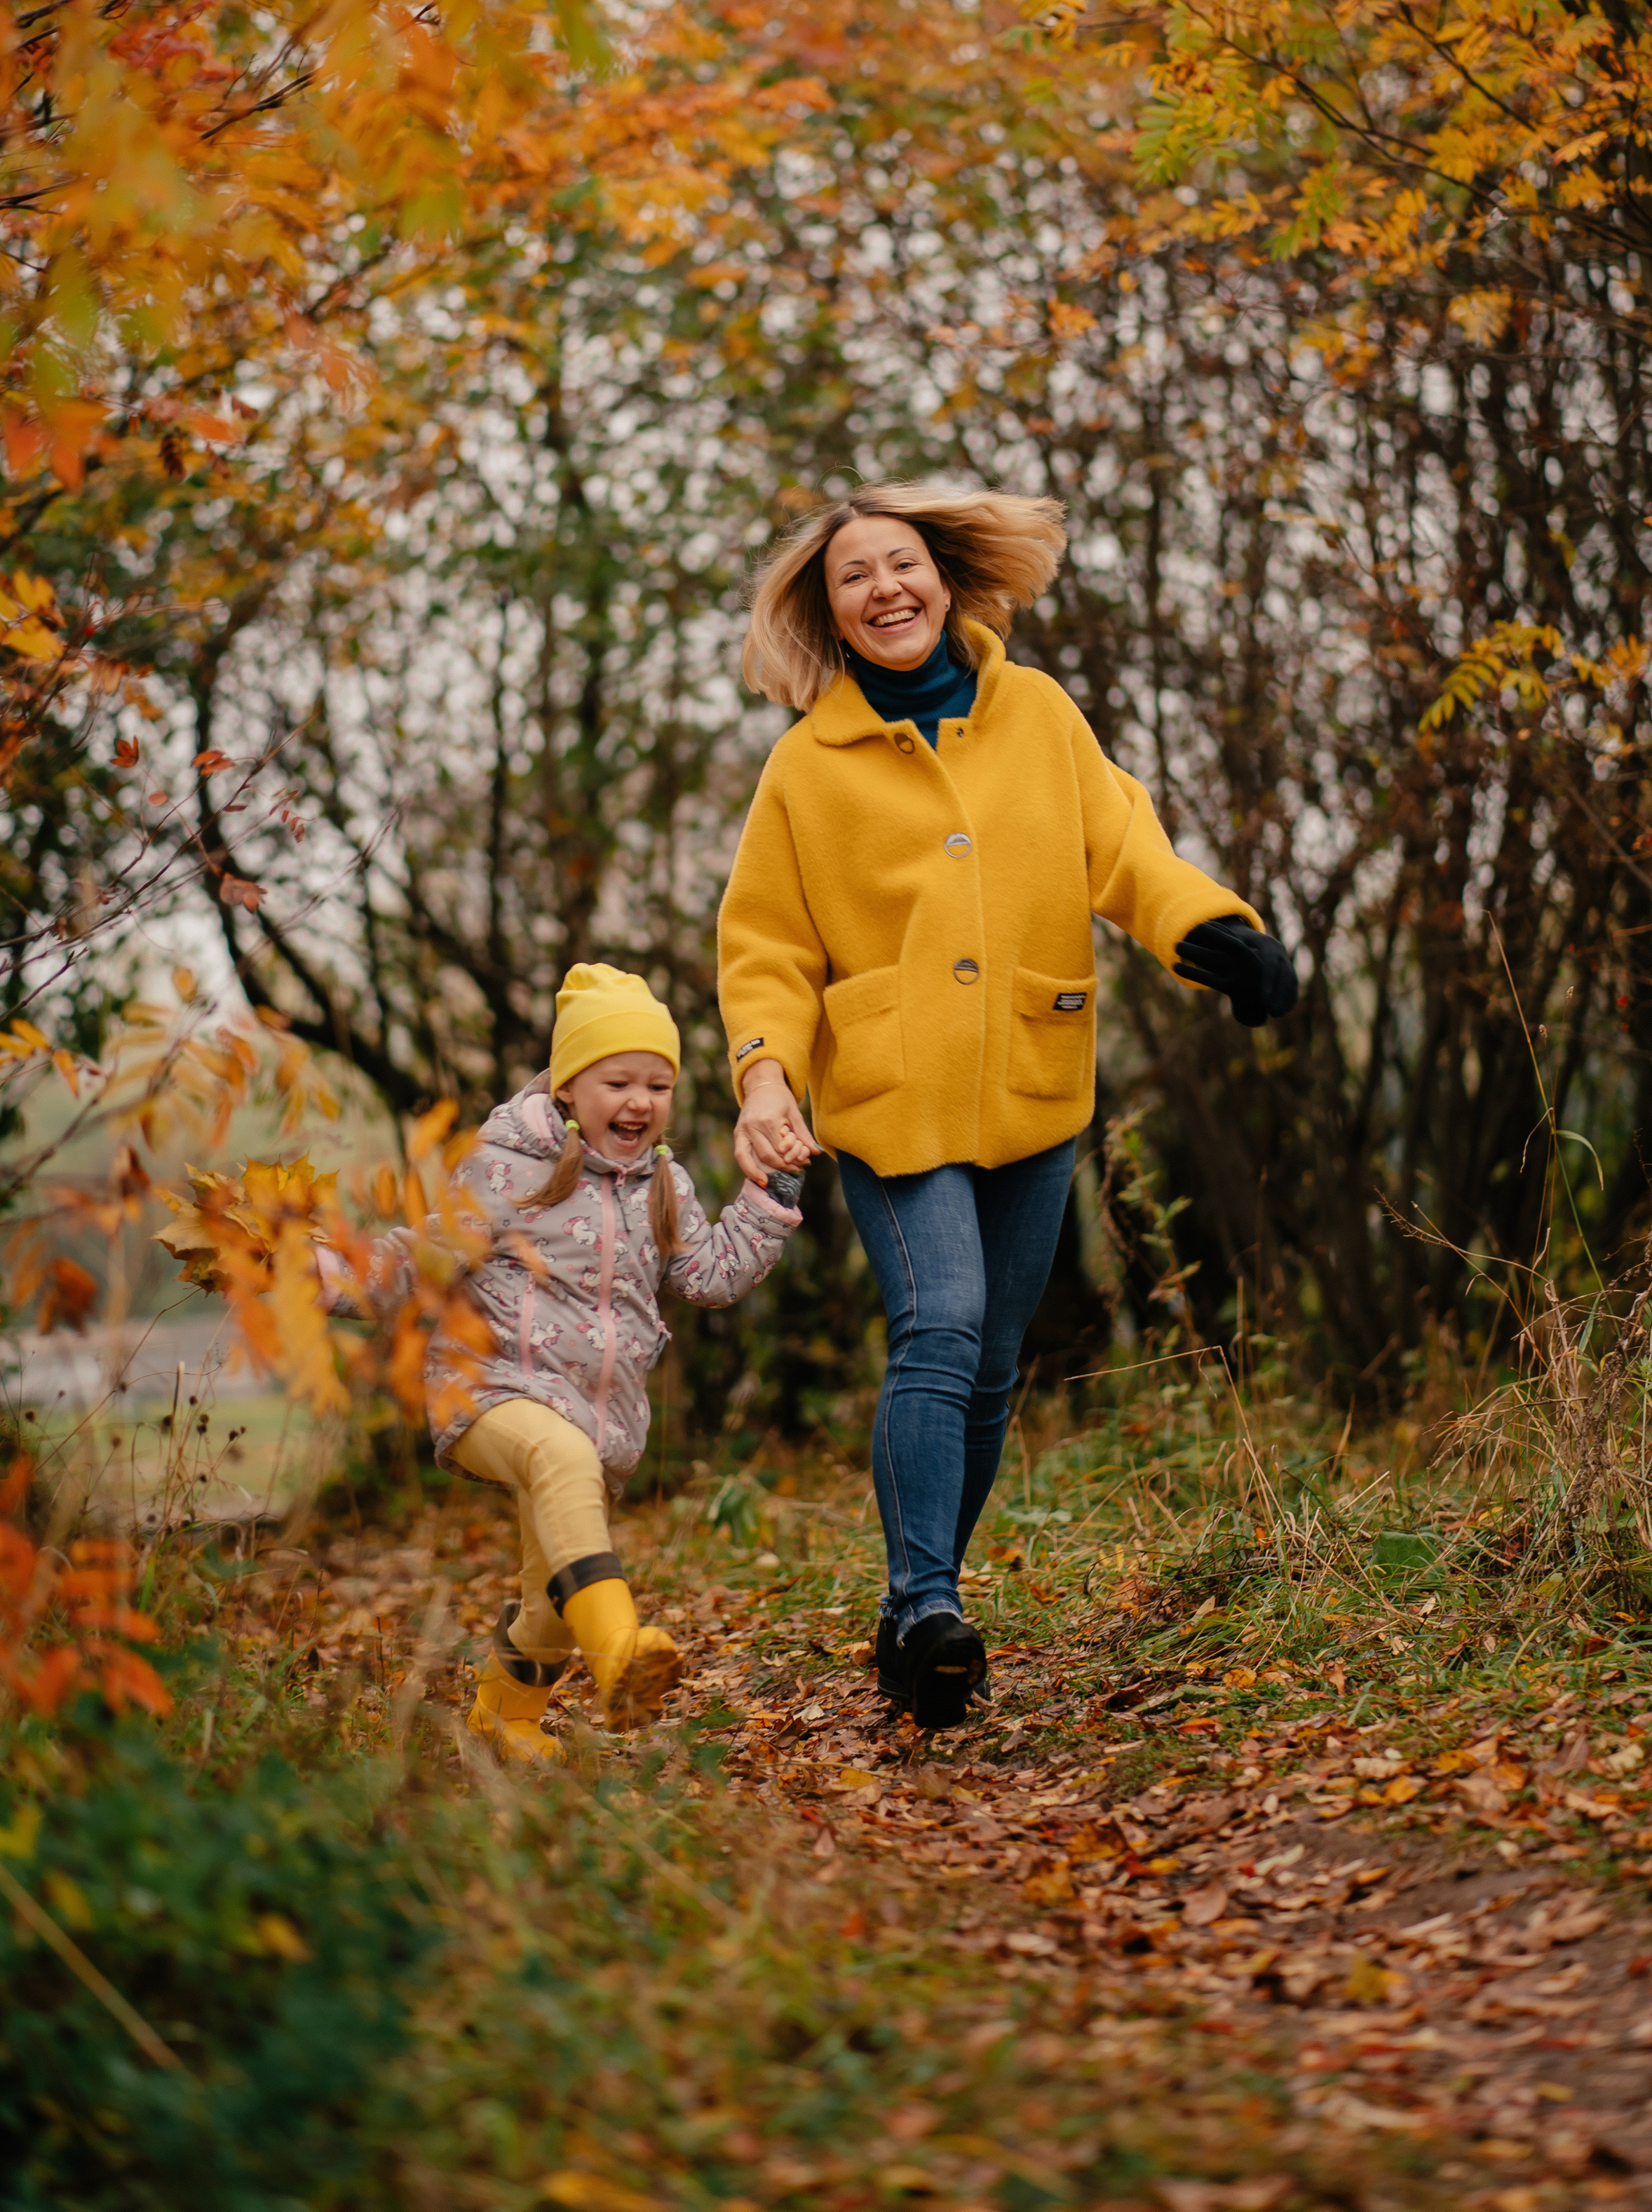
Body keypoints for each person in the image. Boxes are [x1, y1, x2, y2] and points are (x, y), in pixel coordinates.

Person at [717, 485, 1296, 1729]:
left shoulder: (1037, 714)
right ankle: (927, 1605)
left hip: (1037, 1084)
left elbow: (1126, 852)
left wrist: (1215, 933)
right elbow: (765, 942)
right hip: (888, 1099)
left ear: (948, 578)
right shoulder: (806, 768)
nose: (884, 589)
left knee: (990, 1370)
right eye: (854, 578)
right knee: (944, 1324)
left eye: (902, 565)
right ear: (830, 614)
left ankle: (912, 1612)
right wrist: (766, 1071)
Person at [326, 962, 800, 1762]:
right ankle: (618, 1652)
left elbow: (708, 1278)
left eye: (659, 1084)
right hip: (491, 1389)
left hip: (600, 1415)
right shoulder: (508, 1168)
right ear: (570, 1088)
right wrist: (315, 1273)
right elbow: (424, 1262)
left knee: (551, 1592)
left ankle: (504, 1719)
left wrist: (768, 1196)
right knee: (559, 1456)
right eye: (618, 1080)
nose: (640, 1101)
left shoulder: (664, 1184)